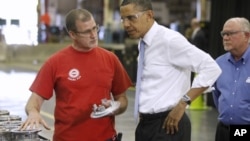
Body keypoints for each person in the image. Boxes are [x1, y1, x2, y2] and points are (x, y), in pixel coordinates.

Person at [20, 8, 132, 141]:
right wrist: (33, 113)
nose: (93, 35)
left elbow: (123, 99)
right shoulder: (55, 63)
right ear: (72, 34)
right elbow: (34, 101)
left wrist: (115, 107)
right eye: (86, 31)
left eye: (95, 28)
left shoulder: (110, 59)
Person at [119, 0, 222, 141]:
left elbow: (211, 67)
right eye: (123, 19)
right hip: (146, 125)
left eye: (131, 18)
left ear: (149, 15)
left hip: (169, 125)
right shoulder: (143, 44)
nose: (126, 24)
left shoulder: (169, 40)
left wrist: (183, 103)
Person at [212, 17, 250, 141]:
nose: (225, 38)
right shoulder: (219, 63)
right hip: (223, 130)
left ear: (247, 35)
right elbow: (217, 96)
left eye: (230, 33)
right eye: (224, 34)